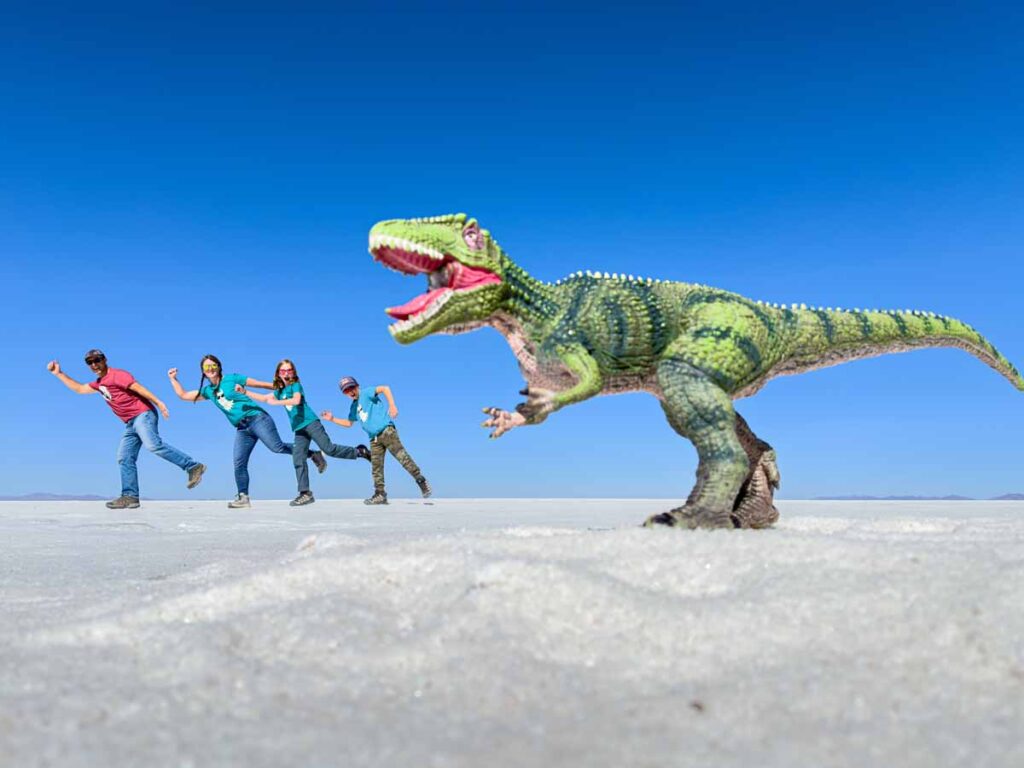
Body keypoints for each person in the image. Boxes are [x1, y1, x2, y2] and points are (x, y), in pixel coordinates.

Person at [47, 349, 205, 509]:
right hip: (130, 423)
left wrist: (159, 402)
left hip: (143, 414)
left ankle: (193, 466)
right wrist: (59, 374)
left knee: (153, 445)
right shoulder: (98, 384)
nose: (94, 364)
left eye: (97, 360)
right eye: (90, 362)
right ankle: (130, 496)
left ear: (104, 359)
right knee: (124, 457)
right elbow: (80, 389)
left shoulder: (118, 375)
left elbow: (138, 388)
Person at [167, 354, 325, 508]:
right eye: (207, 367)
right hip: (242, 428)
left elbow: (258, 384)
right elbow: (184, 395)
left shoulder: (232, 378)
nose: (211, 369)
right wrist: (173, 379)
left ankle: (312, 454)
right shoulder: (208, 391)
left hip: (257, 418)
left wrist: (283, 385)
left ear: (219, 367)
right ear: (203, 371)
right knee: (239, 462)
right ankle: (243, 497)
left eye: (213, 365)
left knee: (276, 447)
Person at [243, 359, 370, 506]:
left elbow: (296, 401)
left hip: (311, 423)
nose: (286, 373)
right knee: (298, 457)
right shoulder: (279, 391)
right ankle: (305, 493)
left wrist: (277, 403)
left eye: (289, 370)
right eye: (283, 371)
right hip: (299, 429)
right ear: (278, 373)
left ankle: (359, 451)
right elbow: (265, 398)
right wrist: (245, 392)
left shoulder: (296, 386)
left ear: (293, 373)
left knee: (329, 449)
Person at [321, 376, 431, 505]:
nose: (350, 392)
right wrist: (332, 419)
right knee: (376, 466)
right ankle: (380, 494)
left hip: (386, 431)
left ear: (357, 386)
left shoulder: (367, 393)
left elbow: (385, 388)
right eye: (346, 391)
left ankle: (420, 480)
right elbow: (349, 423)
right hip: (373, 438)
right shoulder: (353, 407)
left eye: (352, 388)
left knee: (402, 457)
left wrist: (392, 405)